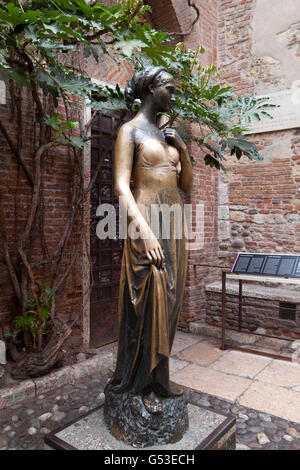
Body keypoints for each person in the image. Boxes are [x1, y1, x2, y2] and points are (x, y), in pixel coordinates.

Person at [105, 66, 193, 414]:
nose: (173, 95)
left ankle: (160, 379)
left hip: (175, 225)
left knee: (170, 303)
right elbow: (121, 186)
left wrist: (182, 149)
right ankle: (137, 386)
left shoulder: (167, 135)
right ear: (150, 89)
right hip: (147, 223)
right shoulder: (129, 131)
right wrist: (144, 231)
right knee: (145, 302)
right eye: (169, 88)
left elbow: (186, 185)